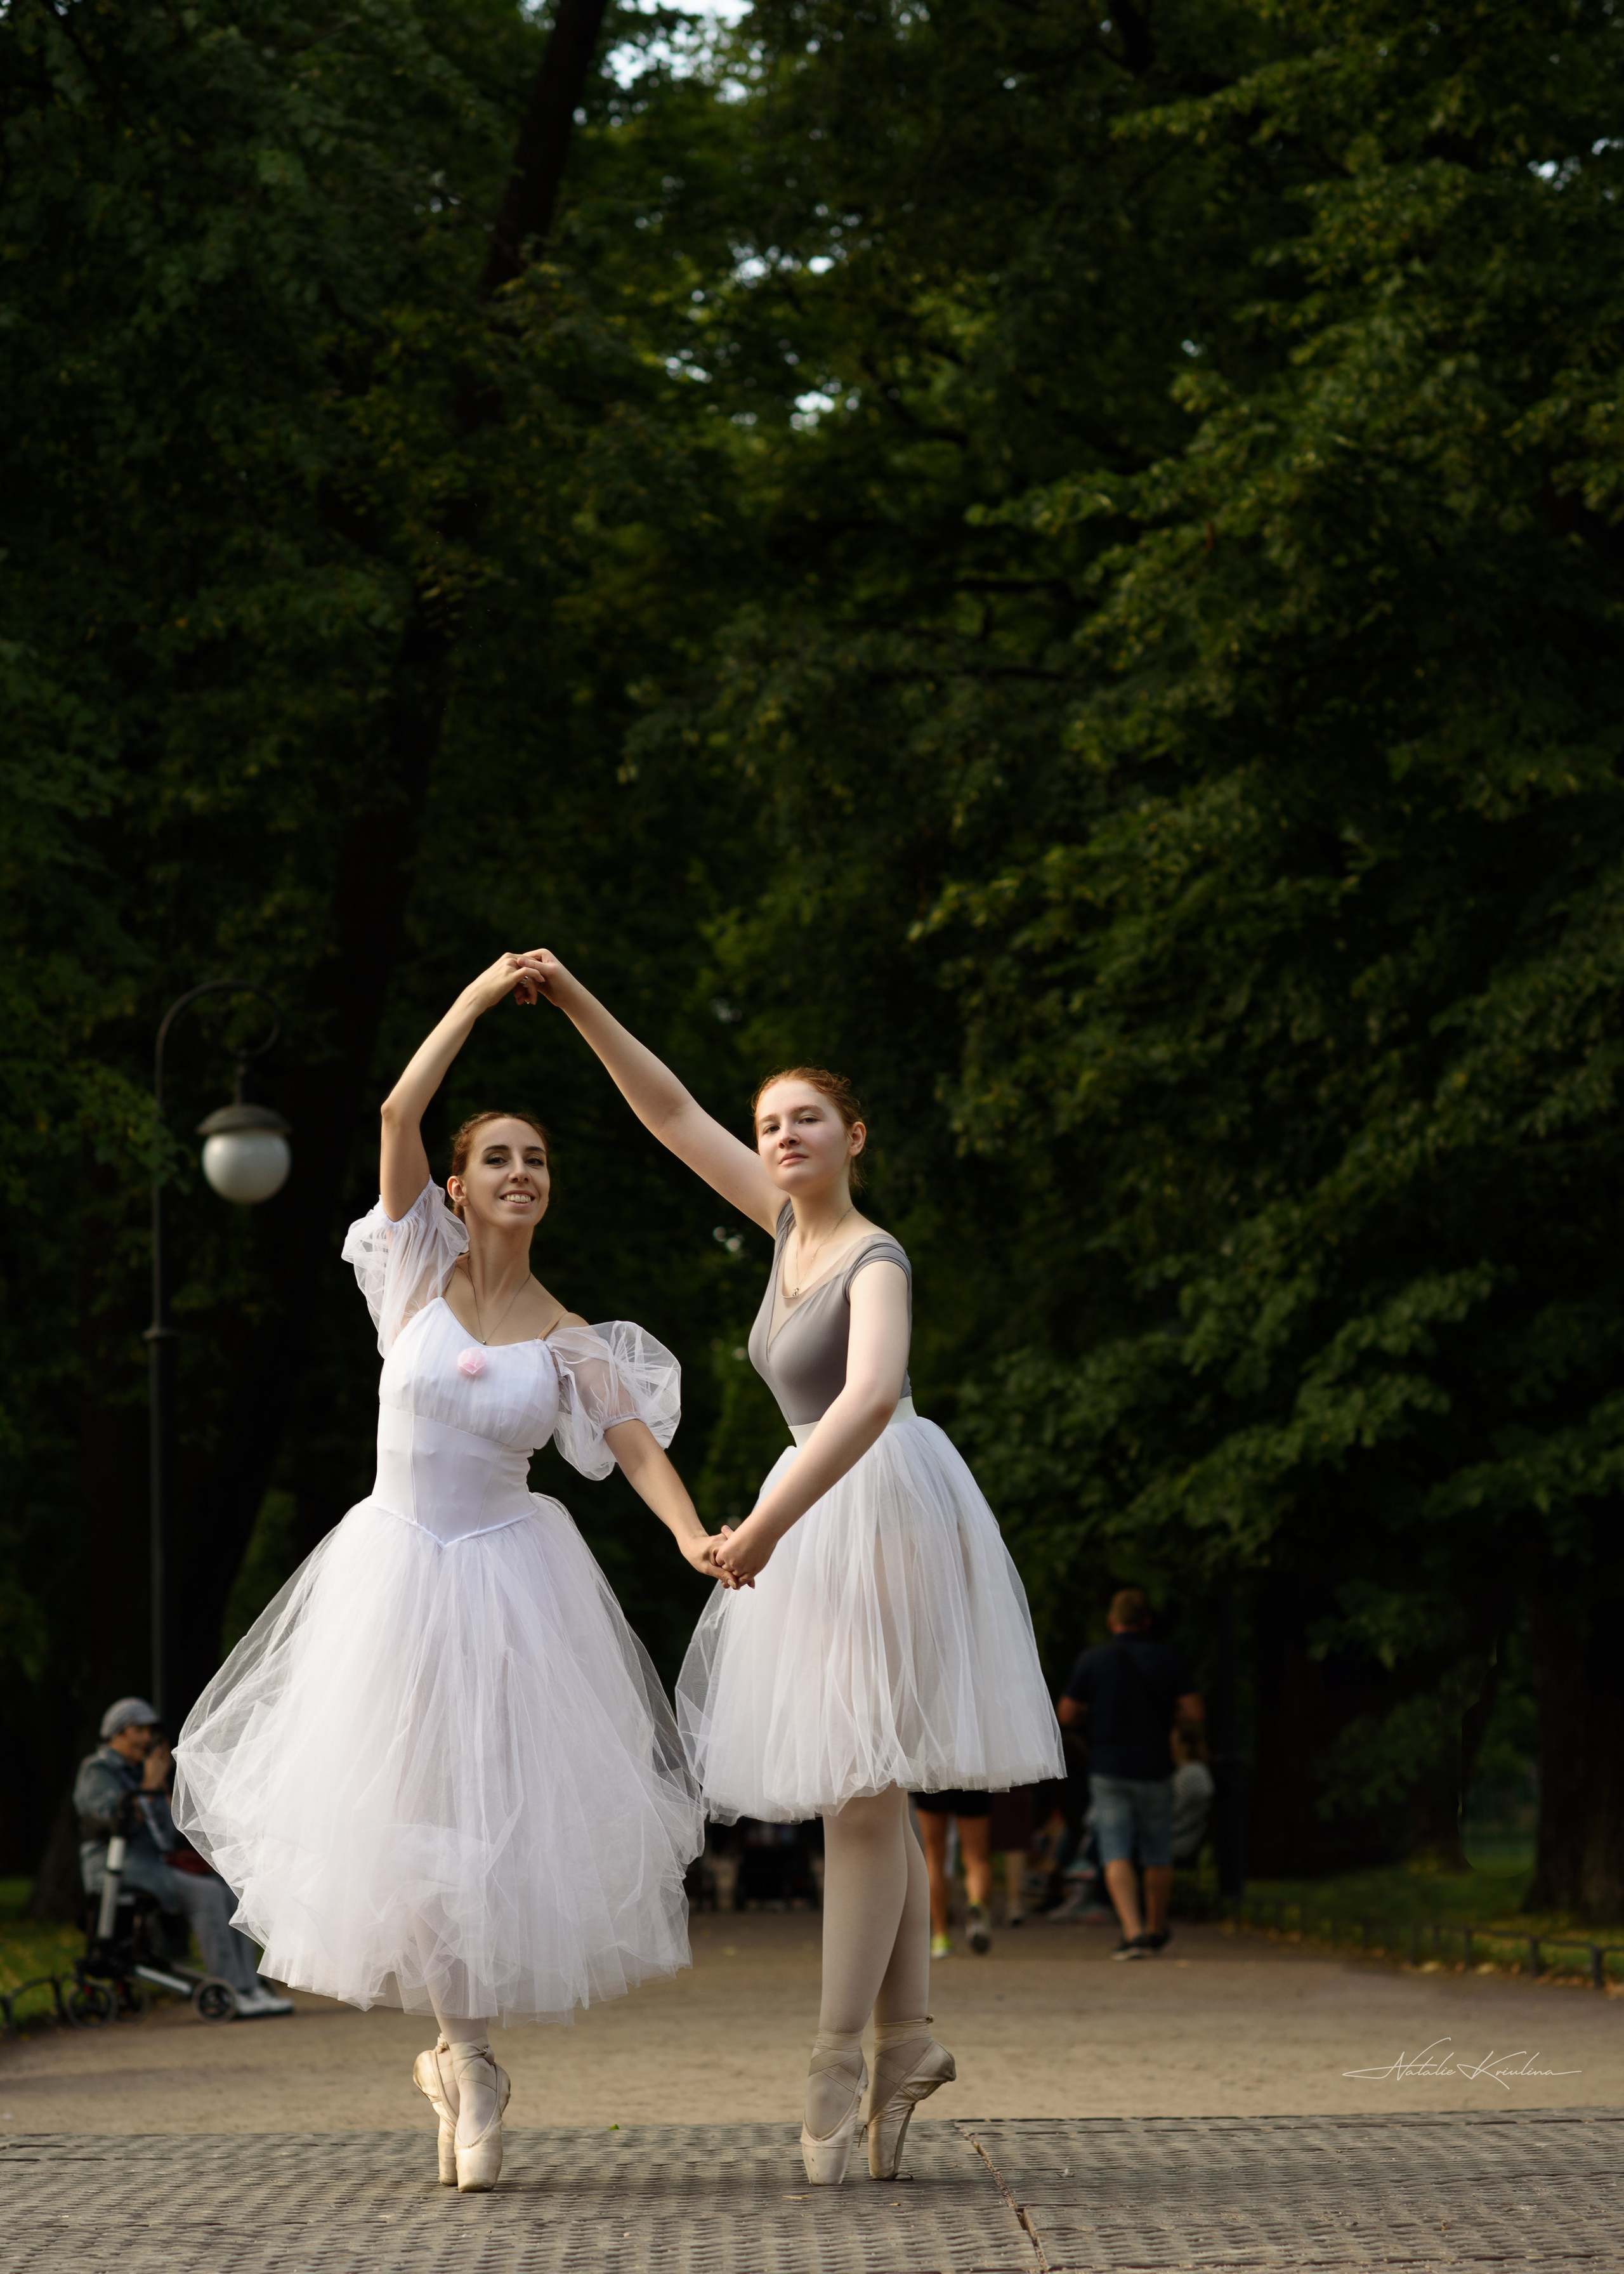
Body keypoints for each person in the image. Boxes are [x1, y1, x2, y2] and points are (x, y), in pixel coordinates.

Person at [174, 956, 723, 2193]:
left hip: (510, 1584)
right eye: (499, 1158)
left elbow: (637, 1449)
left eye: (538, 1160)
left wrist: (694, 1536)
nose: (521, 1172)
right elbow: (396, 1111)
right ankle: (465, 2054)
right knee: (414, 1818)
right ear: (459, 1187)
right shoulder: (412, 1273)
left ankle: (463, 2054)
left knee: (478, 1823)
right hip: (392, 1575)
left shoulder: (569, 1336)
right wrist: (480, 999)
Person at [526, 949, 1064, 2185]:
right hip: (816, 1502)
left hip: (881, 1501)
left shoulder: (875, 1257)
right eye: (769, 1122)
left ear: (851, 1136)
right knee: (867, 1783)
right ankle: (906, 2038)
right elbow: (668, 1111)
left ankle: (834, 2060)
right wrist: (578, 999)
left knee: (862, 1783)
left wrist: (768, 1522)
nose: (780, 1136)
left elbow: (869, 1395)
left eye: (805, 1118)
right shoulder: (778, 1227)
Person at [75, 1699, 289, 2016]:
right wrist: (149, 1785)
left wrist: (160, 1790)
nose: (146, 1738)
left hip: (153, 1862)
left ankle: (250, 1986)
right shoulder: (97, 1770)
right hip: (117, 1865)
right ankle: (232, 1989)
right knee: (207, 1895)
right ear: (116, 1733)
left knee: (229, 1890)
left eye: (149, 1731)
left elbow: (166, 1831)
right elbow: (116, 1821)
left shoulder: (142, 1770)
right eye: (138, 1730)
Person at [1058, 1589, 1203, 1958]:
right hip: (1156, 1768)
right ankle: (1156, 1928)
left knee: (1116, 1850)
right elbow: (1194, 1711)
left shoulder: (1093, 1660)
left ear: (1112, 1621)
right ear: (1147, 1622)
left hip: (1109, 1768)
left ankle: (1132, 1932)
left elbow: (1066, 1714)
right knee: (1158, 1851)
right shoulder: (1166, 1659)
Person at [914, 1791, 995, 1958]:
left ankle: (940, 1936)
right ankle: (976, 1903)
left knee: (934, 1857)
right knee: (976, 1858)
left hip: (932, 1782)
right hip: (971, 1780)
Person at [1170, 1723, 1215, 1865]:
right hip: (1176, 1836)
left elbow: (1172, 1810)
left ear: (1185, 1746)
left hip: (1178, 1840)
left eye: (1172, 1742)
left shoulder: (1192, 1774)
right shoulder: (1189, 1771)